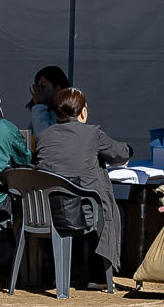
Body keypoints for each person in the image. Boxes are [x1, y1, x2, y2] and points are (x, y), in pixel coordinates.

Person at [33, 86, 132, 281]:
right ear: (83, 111)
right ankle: (99, 274)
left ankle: (63, 269)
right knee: (114, 210)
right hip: (83, 210)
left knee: (73, 201)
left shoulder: (44, 136)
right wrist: (130, 150)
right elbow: (121, 153)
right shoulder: (92, 133)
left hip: (48, 210)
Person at [27, 66, 70, 141]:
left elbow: (43, 136)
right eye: (37, 86)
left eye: (43, 87)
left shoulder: (66, 113)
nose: (38, 91)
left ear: (58, 89)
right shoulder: (44, 111)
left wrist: (39, 105)